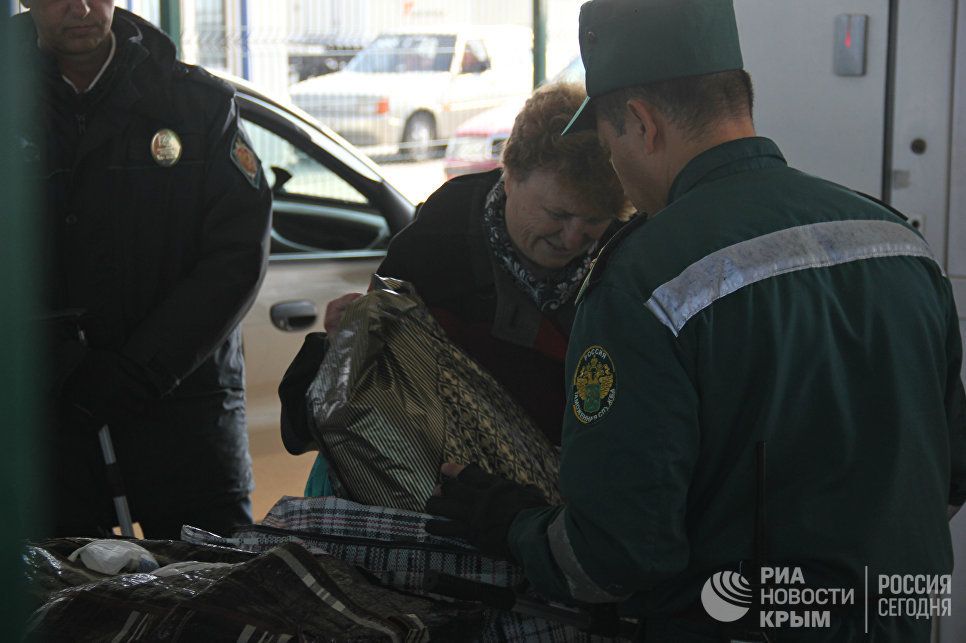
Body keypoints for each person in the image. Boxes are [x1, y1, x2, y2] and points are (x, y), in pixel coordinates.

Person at [425, 1, 966, 641]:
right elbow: (948, 472)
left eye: (606, 140)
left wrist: (512, 523)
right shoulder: (895, 240)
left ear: (639, 122)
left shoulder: (647, 279)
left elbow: (613, 558)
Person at [15, 1, 272, 539]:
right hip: (47, 413)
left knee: (211, 598)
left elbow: (237, 251)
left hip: (183, 412)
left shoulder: (194, 102)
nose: (82, 8)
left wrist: (143, 367)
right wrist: (58, 359)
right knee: (64, 602)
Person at [322, 82, 631, 447]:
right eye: (558, 214)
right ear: (511, 176)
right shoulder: (436, 244)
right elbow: (356, 396)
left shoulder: (627, 256)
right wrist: (345, 341)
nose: (574, 239)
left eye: (595, 219)